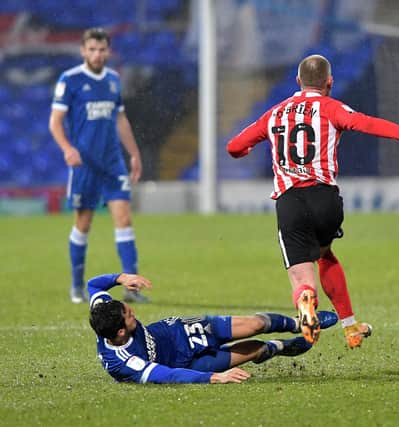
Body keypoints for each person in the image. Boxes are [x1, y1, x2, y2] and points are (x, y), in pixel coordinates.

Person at [227, 54, 399, 347]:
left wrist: (245, 152)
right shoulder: (331, 108)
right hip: (326, 199)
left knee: (302, 277)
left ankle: (306, 299)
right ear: (329, 82)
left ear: (297, 82)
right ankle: (351, 327)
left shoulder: (274, 114)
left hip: (290, 203)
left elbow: (234, 146)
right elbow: (371, 125)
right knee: (325, 254)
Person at [87, 273, 338, 384]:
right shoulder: (124, 361)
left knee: (255, 324)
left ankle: (299, 323)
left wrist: (121, 278)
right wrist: (214, 378)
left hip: (176, 333)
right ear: (120, 333)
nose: (134, 314)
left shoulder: (104, 311)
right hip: (180, 366)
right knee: (254, 350)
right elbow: (167, 376)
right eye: (129, 316)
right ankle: (281, 347)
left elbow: (93, 286)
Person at [49, 28, 147, 304]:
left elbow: (120, 120)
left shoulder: (113, 80)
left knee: (124, 219)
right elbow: (55, 122)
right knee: (84, 223)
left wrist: (134, 153)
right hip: (85, 165)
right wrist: (68, 149)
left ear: (108, 51)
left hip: (112, 163)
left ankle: (131, 287)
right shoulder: (70, 80)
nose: (97, 54)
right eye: (92, 49)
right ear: (83, 51)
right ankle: (76, 286)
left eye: (102, 49)